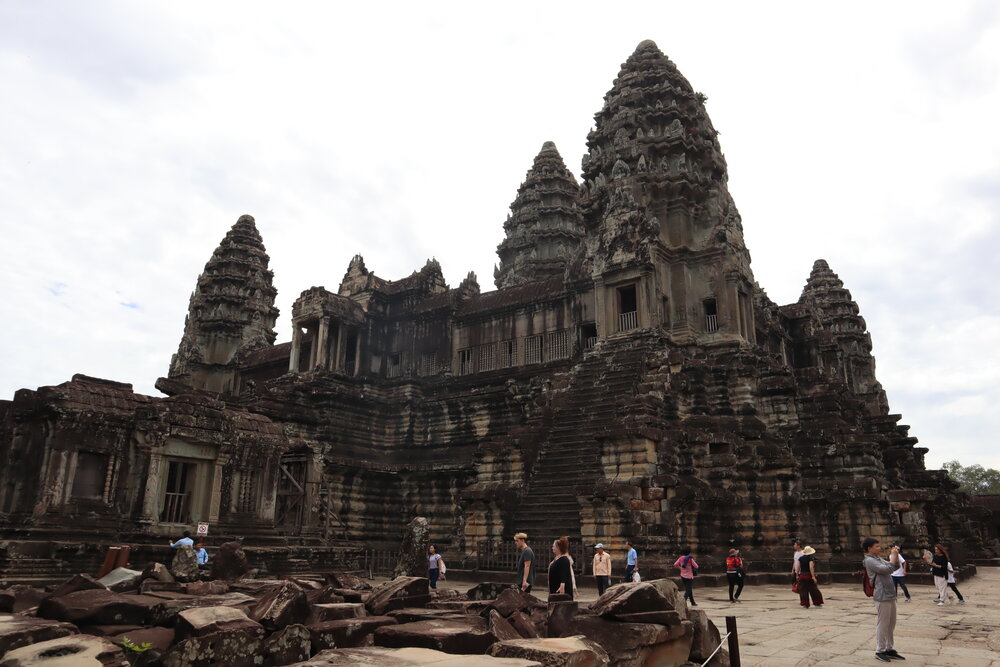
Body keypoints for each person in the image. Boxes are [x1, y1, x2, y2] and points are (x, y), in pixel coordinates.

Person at [863, 537, 905, 662]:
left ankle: (889, 648)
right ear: (869, 548)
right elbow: (886, 569)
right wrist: (892, 555)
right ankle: (879, 650)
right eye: (876, 546)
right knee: (883, 624)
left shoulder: (878, 559)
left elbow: (895, 566)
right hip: (881, 595)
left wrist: (896, 555)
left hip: (890, 594)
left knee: (891, 623)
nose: (879, 548)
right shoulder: (869, 560)